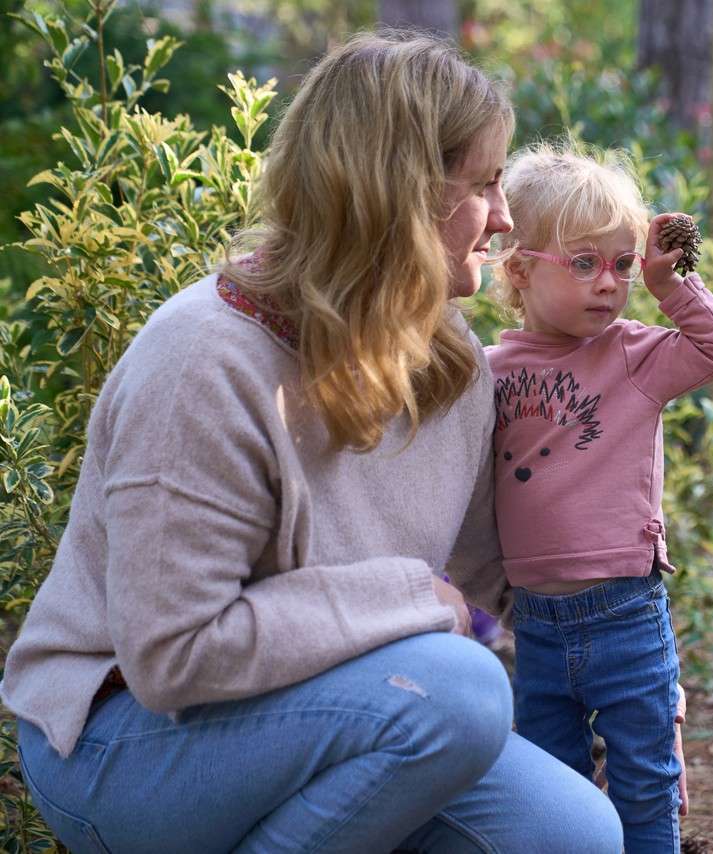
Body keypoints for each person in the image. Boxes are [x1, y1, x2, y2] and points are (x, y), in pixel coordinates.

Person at [2, 32, 623, 853]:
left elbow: (490, 574)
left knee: (571, 835)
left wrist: (622, 664)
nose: (504, 217)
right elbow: (173, 657)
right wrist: (409, 598)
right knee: (457, 691)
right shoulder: (203, 362)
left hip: (337, 711)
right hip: (126, 741)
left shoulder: (448, 360)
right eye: (483, 184)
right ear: (397, 194)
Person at [485, 141, 713, 853]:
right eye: (583, 263)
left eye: (621, 264)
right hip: (535, 624)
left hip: (627, 615)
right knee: (551, 784)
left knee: (645, 778)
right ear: (517, 269)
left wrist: (670, 286)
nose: (609, 283)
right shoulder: (486, 373)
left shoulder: (635, 355)